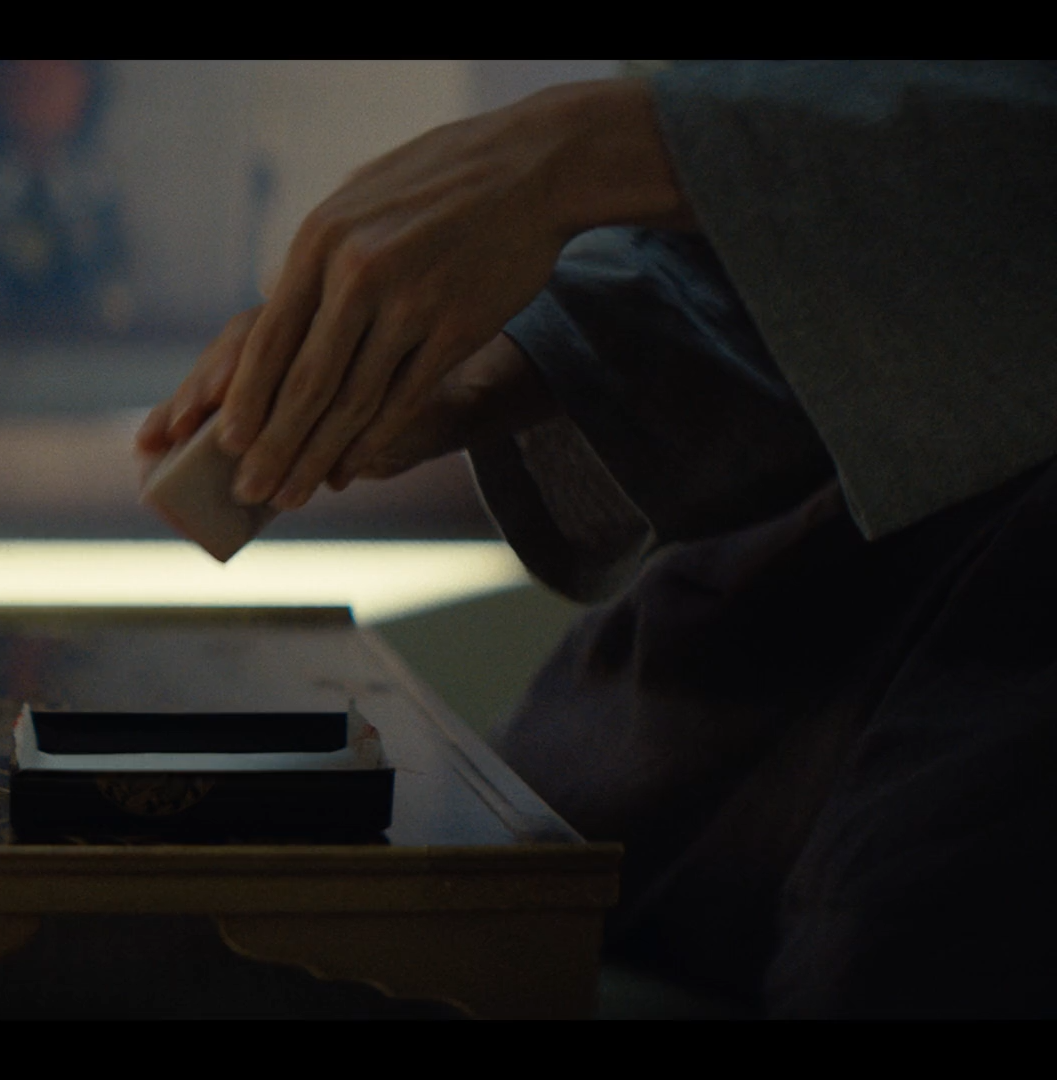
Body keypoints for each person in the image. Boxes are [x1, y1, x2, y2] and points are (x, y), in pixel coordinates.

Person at [136, 62, 1057, 1017]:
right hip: (772, 617)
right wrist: (507, 366)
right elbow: (841, 254)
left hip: (1004, 674)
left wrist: (590, 149)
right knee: (462, 893)